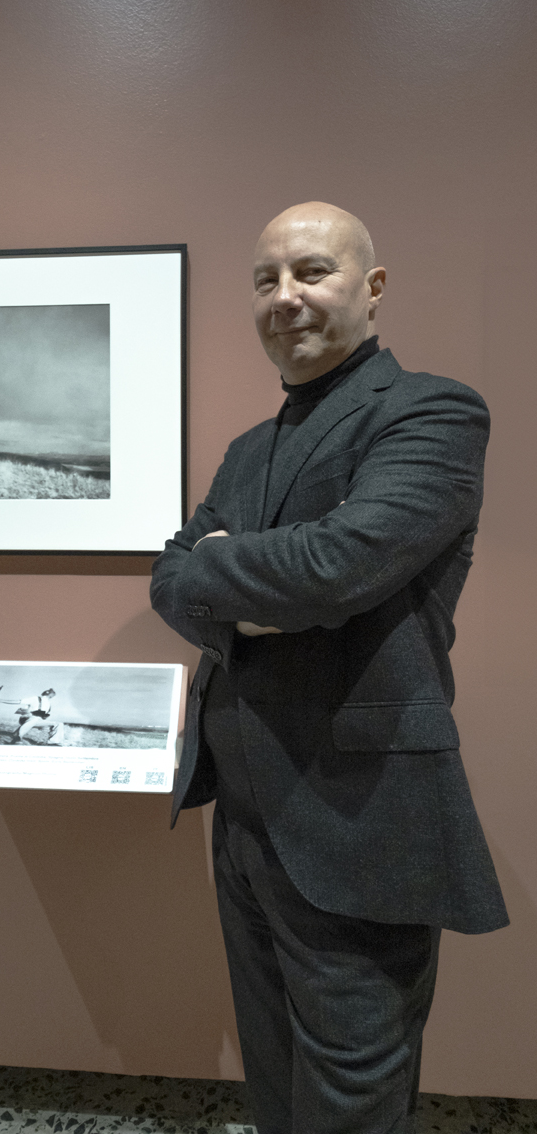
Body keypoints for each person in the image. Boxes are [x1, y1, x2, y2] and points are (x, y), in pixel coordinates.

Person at [150, 202, 508, 1134]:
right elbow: (167, 580)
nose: (286, 297)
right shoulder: (248, 450)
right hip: (244, 816)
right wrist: (249, 589)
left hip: (361, 819)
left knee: (352, 1097)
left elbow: (333, 567)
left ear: (373, 287)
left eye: (312, 271)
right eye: (266, 280)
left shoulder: (433, 410)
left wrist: (226, 571)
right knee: (273, 1077)